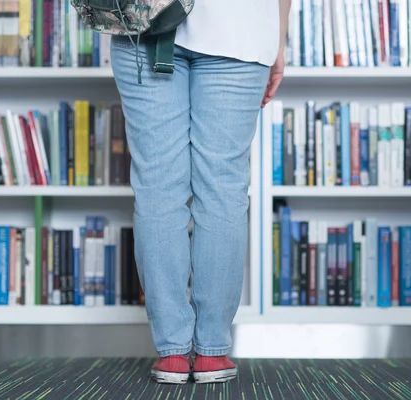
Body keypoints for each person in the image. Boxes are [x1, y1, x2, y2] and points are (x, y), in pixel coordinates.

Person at [110, 0, 291, 385]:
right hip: (241, 27)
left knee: (158, 187)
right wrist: (279, 36)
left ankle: (173, 353)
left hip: (145, 22)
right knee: (223, 189)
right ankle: (212, 353)